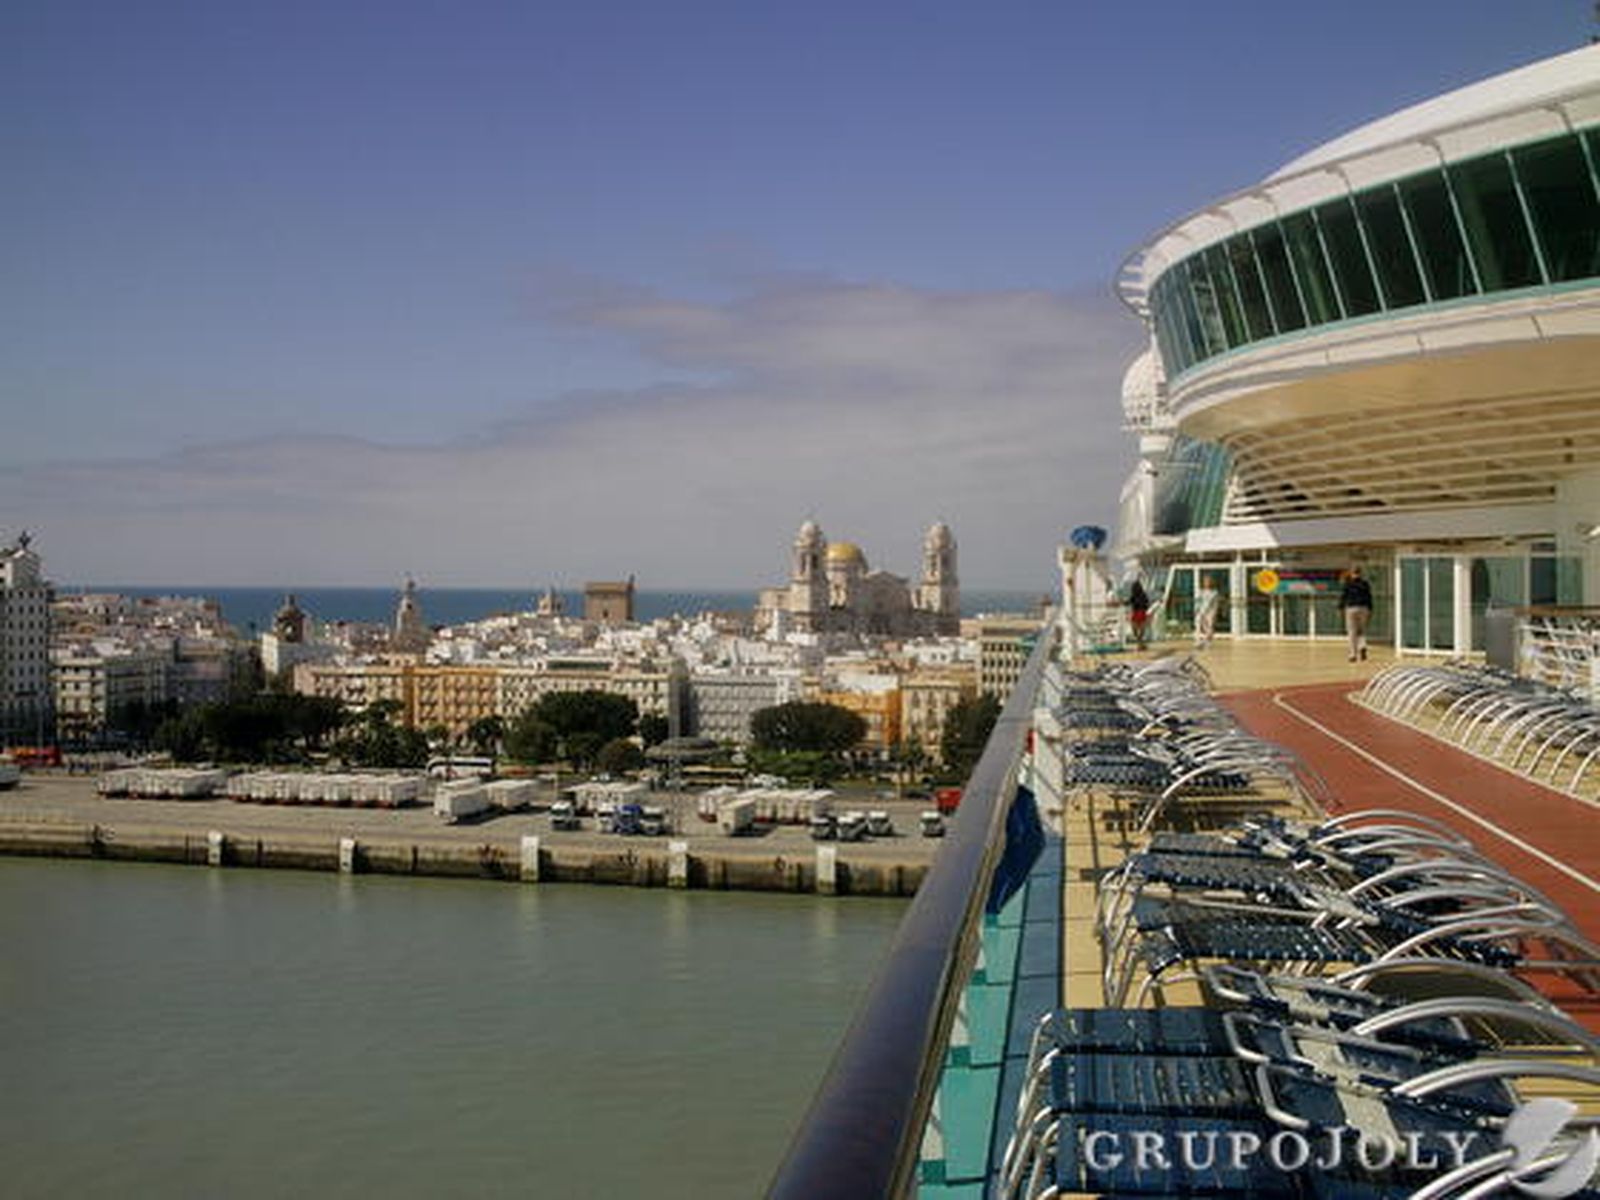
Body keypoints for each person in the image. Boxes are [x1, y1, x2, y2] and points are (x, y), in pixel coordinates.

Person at [1339, 566, 1374, 662]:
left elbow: (1344, 596)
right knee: (1361, 630)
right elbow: (1369, 597)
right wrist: (1370, 609)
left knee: (1352, 632)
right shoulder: (1365, 584)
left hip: (1351, 608)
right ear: (1360, 573)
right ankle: (1362, 646)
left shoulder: (1348, 584)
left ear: (1352, 573)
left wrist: (1341, 607)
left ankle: (1353, 654)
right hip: (1363, 608)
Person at [1194, 578, 1220, 648]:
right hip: (1201, 611)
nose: (1206, 583)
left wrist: (1214, 612)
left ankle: (1208, 641)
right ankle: (1198, 641)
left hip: (1210, 612)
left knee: (1209, 627)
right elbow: (1198, 601)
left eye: (1208, 582)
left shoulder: (1214, 593)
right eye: (1205, 582)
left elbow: (1215, 604)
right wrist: (1196, 610)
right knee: (1199, 626)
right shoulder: (1201, 592)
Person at [1128, 578, 1151, 649]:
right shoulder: (1141, 595)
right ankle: (1140, 643)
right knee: (1140, 630)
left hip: (1137, 612)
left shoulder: (1135, 595)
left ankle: (1140, 643)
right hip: (1140, 612)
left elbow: (1130, 602)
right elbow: (1147, 603)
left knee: (1135, 629)